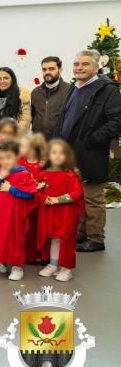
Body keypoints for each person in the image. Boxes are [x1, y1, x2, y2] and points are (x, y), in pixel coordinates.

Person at [54, 49, 121, 252]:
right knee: (77, 196)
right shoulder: (75, 88)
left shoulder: (107, 89)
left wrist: (92, 140)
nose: (79, 68)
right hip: (69, 152)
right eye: (76, 64)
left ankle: (96, 238)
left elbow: (117, 120)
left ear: (96, 66)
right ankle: (81, 234)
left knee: (93, 196)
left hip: (91, 151)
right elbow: (65, 118)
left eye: (85, 64)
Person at [0, 141, 38, 281]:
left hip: (14, 216)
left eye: (8, 157)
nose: (4, 161)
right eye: (1, 158)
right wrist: (0, 176)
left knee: (14, 240)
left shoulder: (23, 174)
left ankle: (17, 267)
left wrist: (11, 189)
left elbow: (29, 194)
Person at [36, 139, 84, 282]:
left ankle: (66, 268)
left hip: (66, 213)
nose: (57, 156)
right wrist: (44, 198)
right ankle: (53, 264)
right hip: (51, 212)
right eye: (54, 152)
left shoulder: (71, 175)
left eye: (61, 153)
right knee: (54, 239)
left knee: (66, 240)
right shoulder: (43, 174)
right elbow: (38, 190)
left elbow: (76, 193)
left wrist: (58, 199)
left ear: (67, 156)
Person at [0, 67, 32, 134]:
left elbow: (25, 122)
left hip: (12, 140)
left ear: (12, 79)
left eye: (6, 78)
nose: (2, 81)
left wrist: (7, 136)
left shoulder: (22, 97)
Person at [31, 56, 71, 139]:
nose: (47, 72)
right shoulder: (35, 92)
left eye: (51, 69)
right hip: (38, 142)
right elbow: (33, 116)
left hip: (60, 143)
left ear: (60, 70)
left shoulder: (70, 91)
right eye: (44, 69)